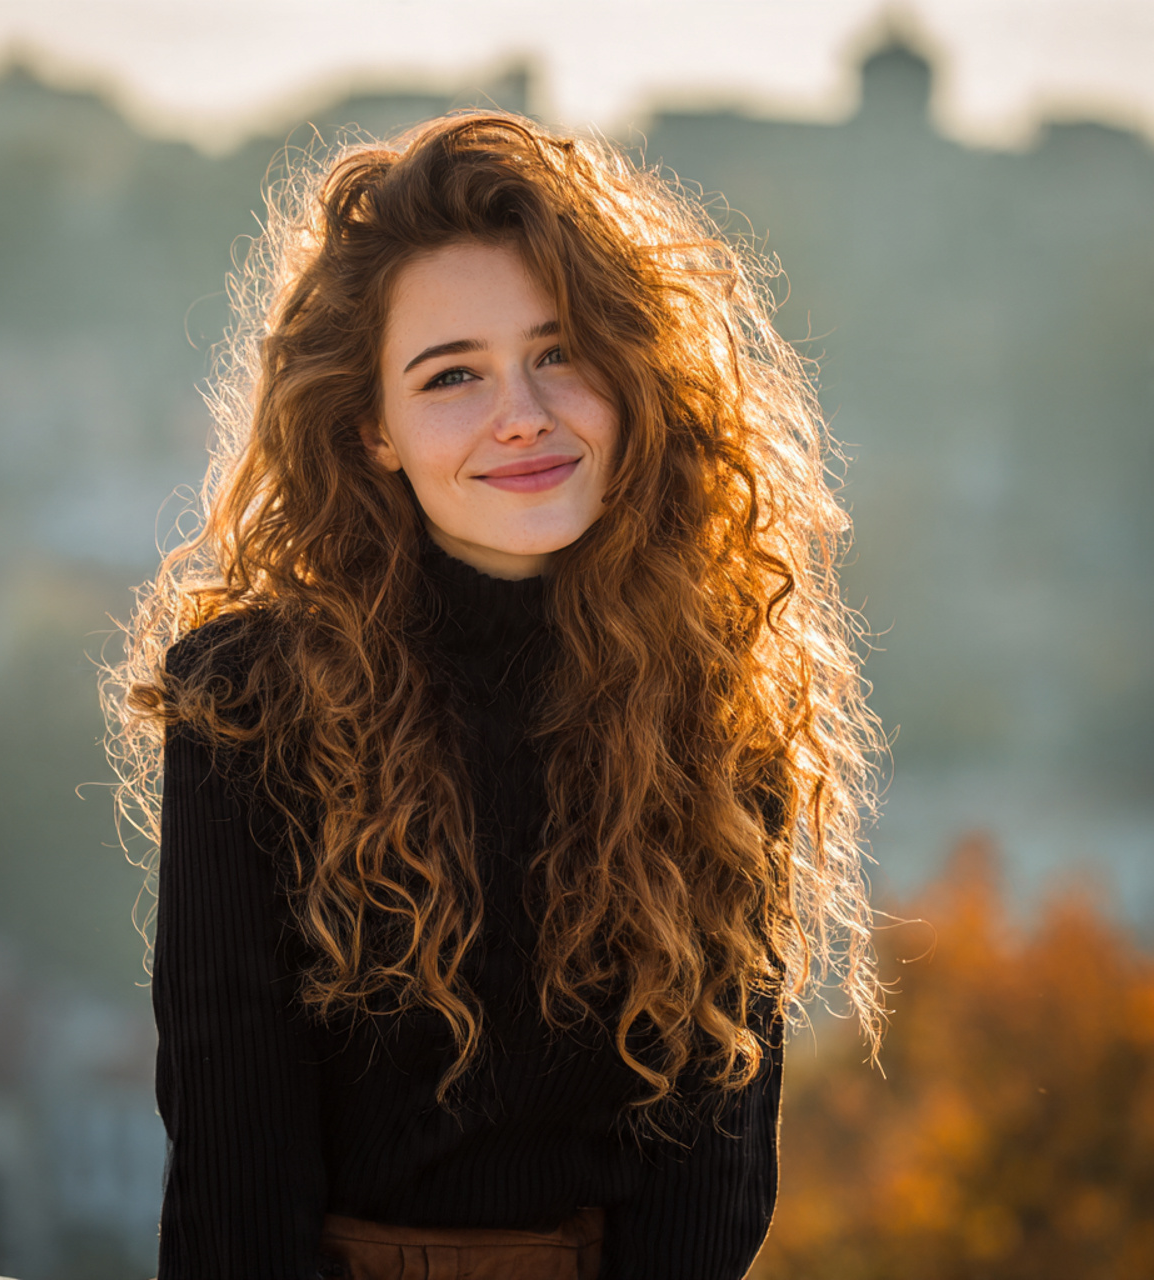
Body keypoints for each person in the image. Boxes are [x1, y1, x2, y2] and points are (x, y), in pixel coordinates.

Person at [104, 112, 883, 1280]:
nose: (520, 410)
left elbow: (709, 1178)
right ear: (373, 427)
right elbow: (233, 1160)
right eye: (451, 374)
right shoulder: (250, 694)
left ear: (630, 376)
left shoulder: (713, 708)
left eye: (557, 352)